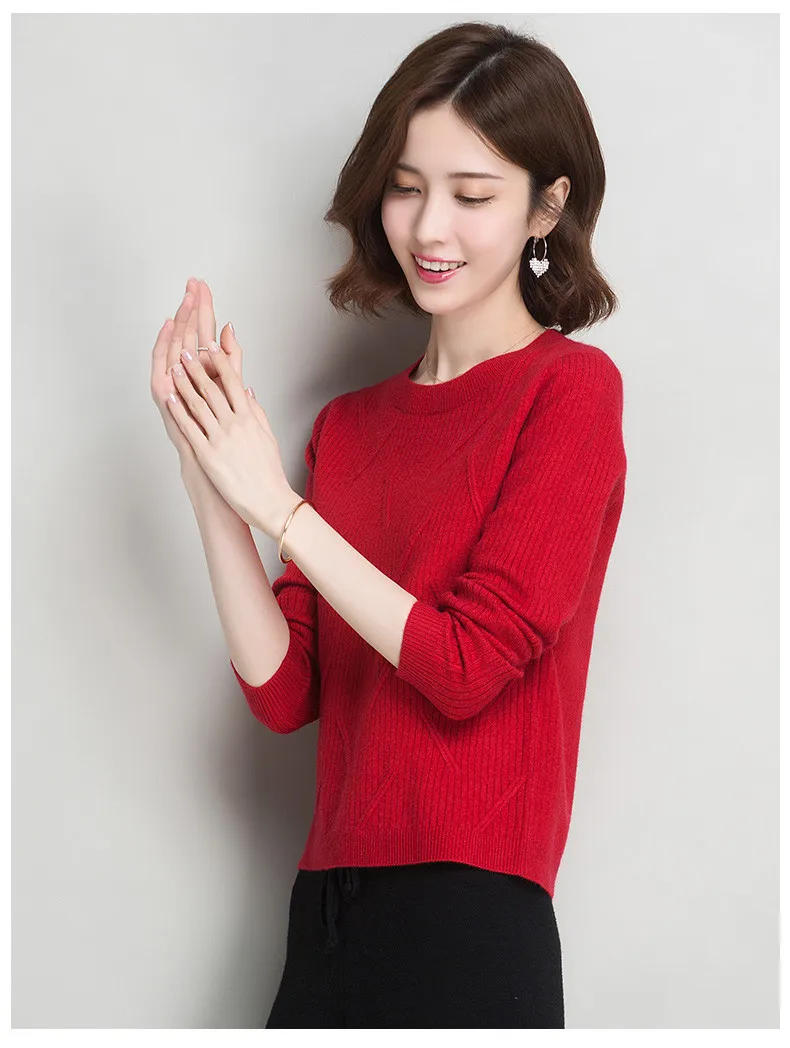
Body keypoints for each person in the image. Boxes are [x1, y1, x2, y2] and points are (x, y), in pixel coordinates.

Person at [150, 21, 626, 1029]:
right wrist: (209, 479)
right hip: (326, 907)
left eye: (472, 194)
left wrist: (277, 505)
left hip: (470, 917)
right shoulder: (350, 427)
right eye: (406, 187)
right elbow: (287, 692)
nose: (428, 227)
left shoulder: (570, 391)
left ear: (547, 206)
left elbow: (465, 666)